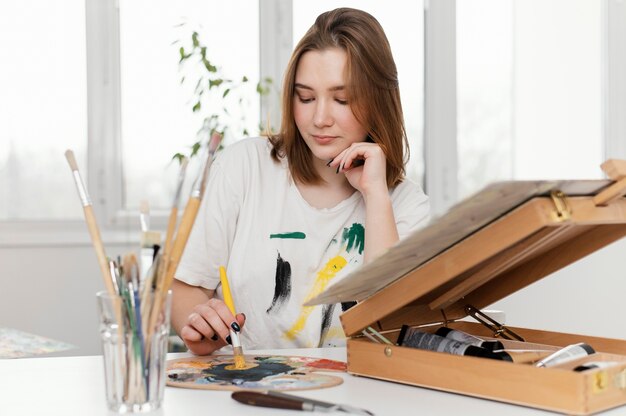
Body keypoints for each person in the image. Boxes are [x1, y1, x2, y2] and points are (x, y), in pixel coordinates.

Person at [171, 7, 430, 356]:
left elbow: (385, 337)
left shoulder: (406, 205)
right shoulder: (243, 167)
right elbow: (185, 289)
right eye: (305, 97)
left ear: (378, 102)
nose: (319, 118)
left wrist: (375, 195)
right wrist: (199, 325)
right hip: (249, 392)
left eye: (342, 99)